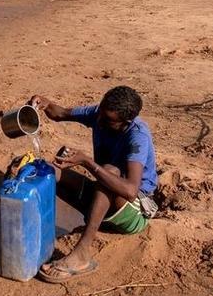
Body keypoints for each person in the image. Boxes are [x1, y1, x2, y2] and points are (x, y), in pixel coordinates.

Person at [28, 86, 157, 283]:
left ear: (125, 122)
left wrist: (87, 162)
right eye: (100, 114)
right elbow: (60, 113)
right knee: (47, 170)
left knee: (110, 171)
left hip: (134, 212)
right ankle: (35, 230)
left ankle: (82, 253)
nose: (100, 122)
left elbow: (131, 191)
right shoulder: (100, 114)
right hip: (103, 200)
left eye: (108, 121)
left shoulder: (137, 136)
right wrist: (45, 103)